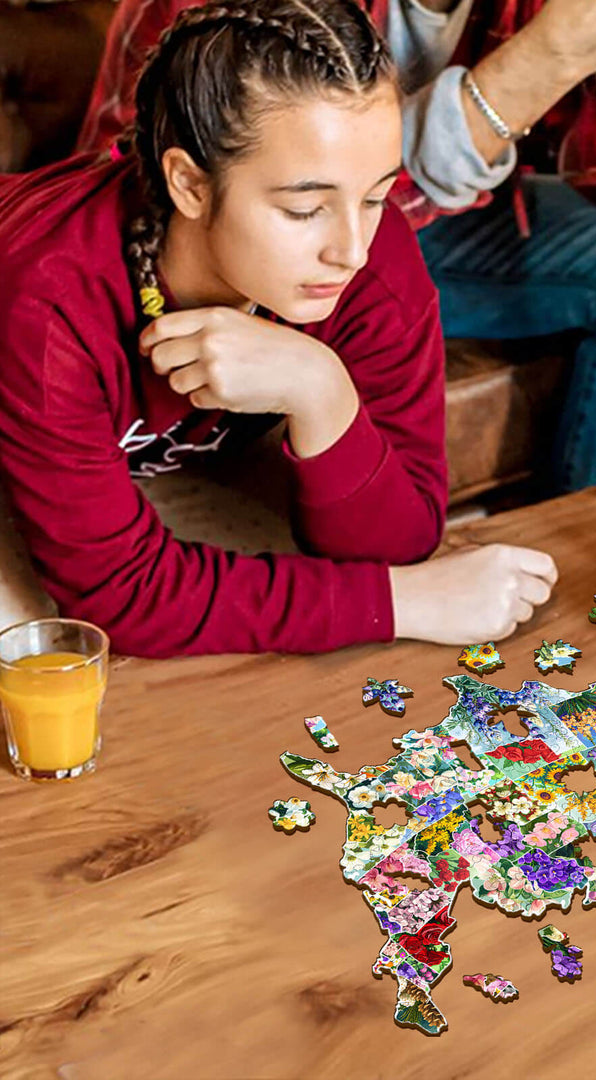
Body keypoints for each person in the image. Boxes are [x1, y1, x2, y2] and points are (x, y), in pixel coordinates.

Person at [0, 0, 556, 655]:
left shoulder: (371, 254)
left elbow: (402, 538)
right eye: (304, 209)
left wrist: (321, 390)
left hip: (100, 451)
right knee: (33, 647)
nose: (351, 248)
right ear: (189, 185)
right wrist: (402, 602)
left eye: (375, 196)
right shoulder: (49, 299)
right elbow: (123, 598)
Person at [77, 0, 596, 492]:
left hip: (432, 223)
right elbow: (162, 206)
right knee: (338, 224)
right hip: (229, 247)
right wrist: (544, 59)